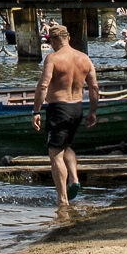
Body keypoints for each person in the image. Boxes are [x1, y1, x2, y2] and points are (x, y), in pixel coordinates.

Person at [31, 25, 99, 209]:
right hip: (77, 108)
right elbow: (94, 87)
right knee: (65, 146)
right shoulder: (84, 58)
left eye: (50, 41)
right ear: (68, 37)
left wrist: (36, 111)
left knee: (55, 153)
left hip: (59, 109)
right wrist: (93, 111)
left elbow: (43, 85)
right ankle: (74, 179)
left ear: (54, 40)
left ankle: (62, 200)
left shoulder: (53, 58)